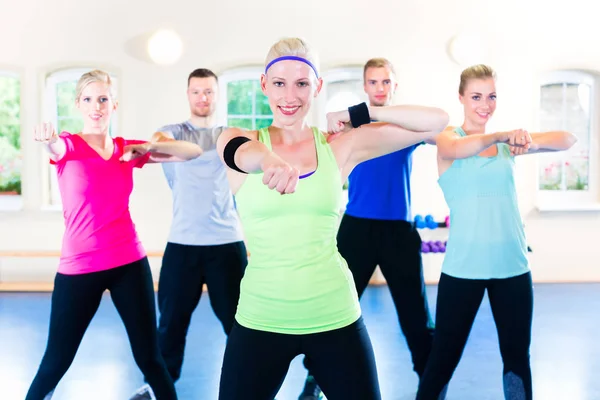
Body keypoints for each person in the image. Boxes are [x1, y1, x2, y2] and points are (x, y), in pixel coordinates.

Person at [215, 37, 449, 400]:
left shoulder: (339, 146)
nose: (290, 95)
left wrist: (363, 113)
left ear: (317, 87)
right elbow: (234, 152)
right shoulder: (241, 138)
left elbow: (436, 123)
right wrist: (268, 159)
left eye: (302, 84)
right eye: (279, 83)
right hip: (261, 317)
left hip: (335, 314)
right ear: (263, 85)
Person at [26, 70, 202, 400]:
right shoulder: (68, 146)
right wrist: (47, 137)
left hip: (128, 263)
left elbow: (191, 152)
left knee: (150, 359)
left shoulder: (127, 149)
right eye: (89, 99)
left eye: (103, 99)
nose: (97, 107)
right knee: (56, 362)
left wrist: (148, 147)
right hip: (79, 269)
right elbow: (54, 147)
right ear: (78, 104)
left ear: (113, 105)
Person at [416, 64, 577, 400]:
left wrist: (523, 139)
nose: (484, 104)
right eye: (476, 96)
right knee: (443, 359)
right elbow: (454, 150)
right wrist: (501, 135)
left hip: (511, 267)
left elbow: (567, 139)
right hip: (463, 269)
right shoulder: (449, 138)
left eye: (491, 96)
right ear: (461, 97)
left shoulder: (508, 146)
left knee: (517, 359)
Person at [299, 56, 437, 399]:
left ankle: (431, 383)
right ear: (364, 86)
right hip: (356, 229)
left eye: (386, 82)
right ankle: (314, 381)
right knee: (334, 309)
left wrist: (375, 113)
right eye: (373, 82)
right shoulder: (350, 125)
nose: (379, 88)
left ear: (394, 86)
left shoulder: (404, 126)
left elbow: (438, 125)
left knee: (416, 317)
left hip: (398, 232)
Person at [130, 68, 248, 400]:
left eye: (209, 91)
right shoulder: (171, 132)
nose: (203, 98)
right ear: (188, 94)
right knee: (170, 324)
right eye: (196, 92)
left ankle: (248, 382)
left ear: (217, 94)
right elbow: (159, 144)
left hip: (226, 244)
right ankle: (156, 387)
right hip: (183, 244)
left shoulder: (229, 134)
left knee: (238, 323)